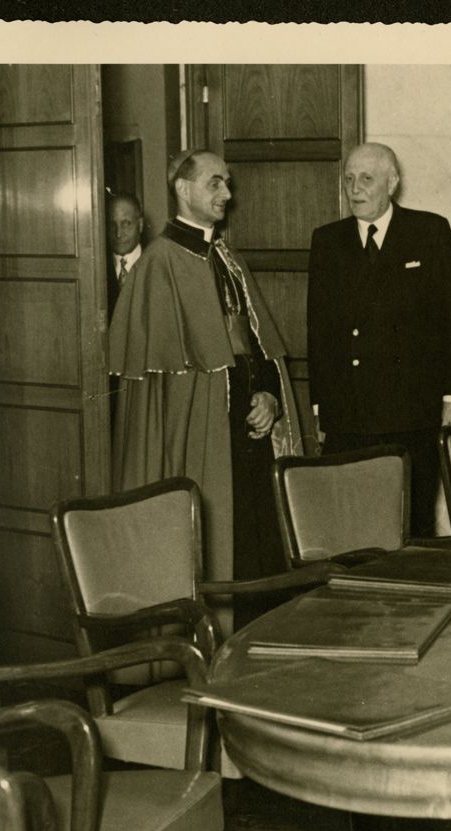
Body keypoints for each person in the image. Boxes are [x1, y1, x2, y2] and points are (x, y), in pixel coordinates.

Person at [108, 149, 305, 632]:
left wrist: (268, 397)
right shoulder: (157, 264)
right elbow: (159, 392)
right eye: (216, 183)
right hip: (197, 442)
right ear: (183, 188)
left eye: (227, 184)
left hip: (249, 437)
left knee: (260, 557)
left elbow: (256, 348)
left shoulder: (228, 258)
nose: (227, 194)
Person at [306, 143, 451, 537]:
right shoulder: (328, 241)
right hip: (349, 411)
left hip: (412, 411)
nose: (354, 189)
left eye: (366, 179)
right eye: (348, 179)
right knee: (352, 524)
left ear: (392, 183)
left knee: (412, 522)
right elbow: (319, 330)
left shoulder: (429, 232)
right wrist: (320, 405)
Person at [105, 193, 144, 320]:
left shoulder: (156, 264)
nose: (118, 233)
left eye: (126, 224)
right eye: (112, 225)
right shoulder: (98, 268)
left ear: (141, 225)